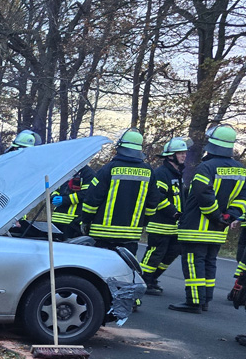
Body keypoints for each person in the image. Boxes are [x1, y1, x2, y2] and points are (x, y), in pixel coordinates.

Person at [169, 124, 246, 313]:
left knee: (194, 264)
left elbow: (203, 194)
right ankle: (205, 300)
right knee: (210, 263)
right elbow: (243, 198)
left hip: (196, 228)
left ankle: (194, 301)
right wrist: (228, 217)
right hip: (218, 230)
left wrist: (216, 215)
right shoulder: (240, 170)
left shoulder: (206, 167)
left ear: (212, 143)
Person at [80, 128, 160, 254]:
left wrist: (86, 220)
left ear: (120, 147)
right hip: (130, 236)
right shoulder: (149, 172)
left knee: (100, 270)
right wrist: (143, 222)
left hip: (102, 234)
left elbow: (92, 198)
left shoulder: (108, 169)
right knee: (124, 271)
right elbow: (153, 201)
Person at [140, 137, 188, 295]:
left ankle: (153, 278)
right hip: (160, 223)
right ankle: (143, 280)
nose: (184, 156)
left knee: (173, 252)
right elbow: (158, 197)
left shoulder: (177, 174)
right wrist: (173, 212)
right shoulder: (161, 173)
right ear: (170, 156)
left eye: (184, 153)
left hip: (174, 225)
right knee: (155, 253)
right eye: (180, 153)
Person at [51, 165, 96, 240]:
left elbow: (86, 193)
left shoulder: (88, 173)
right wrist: (53, 196)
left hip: (73, 221)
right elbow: (54, 188)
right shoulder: (63, 170)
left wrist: (65, 200)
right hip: (56, 220)